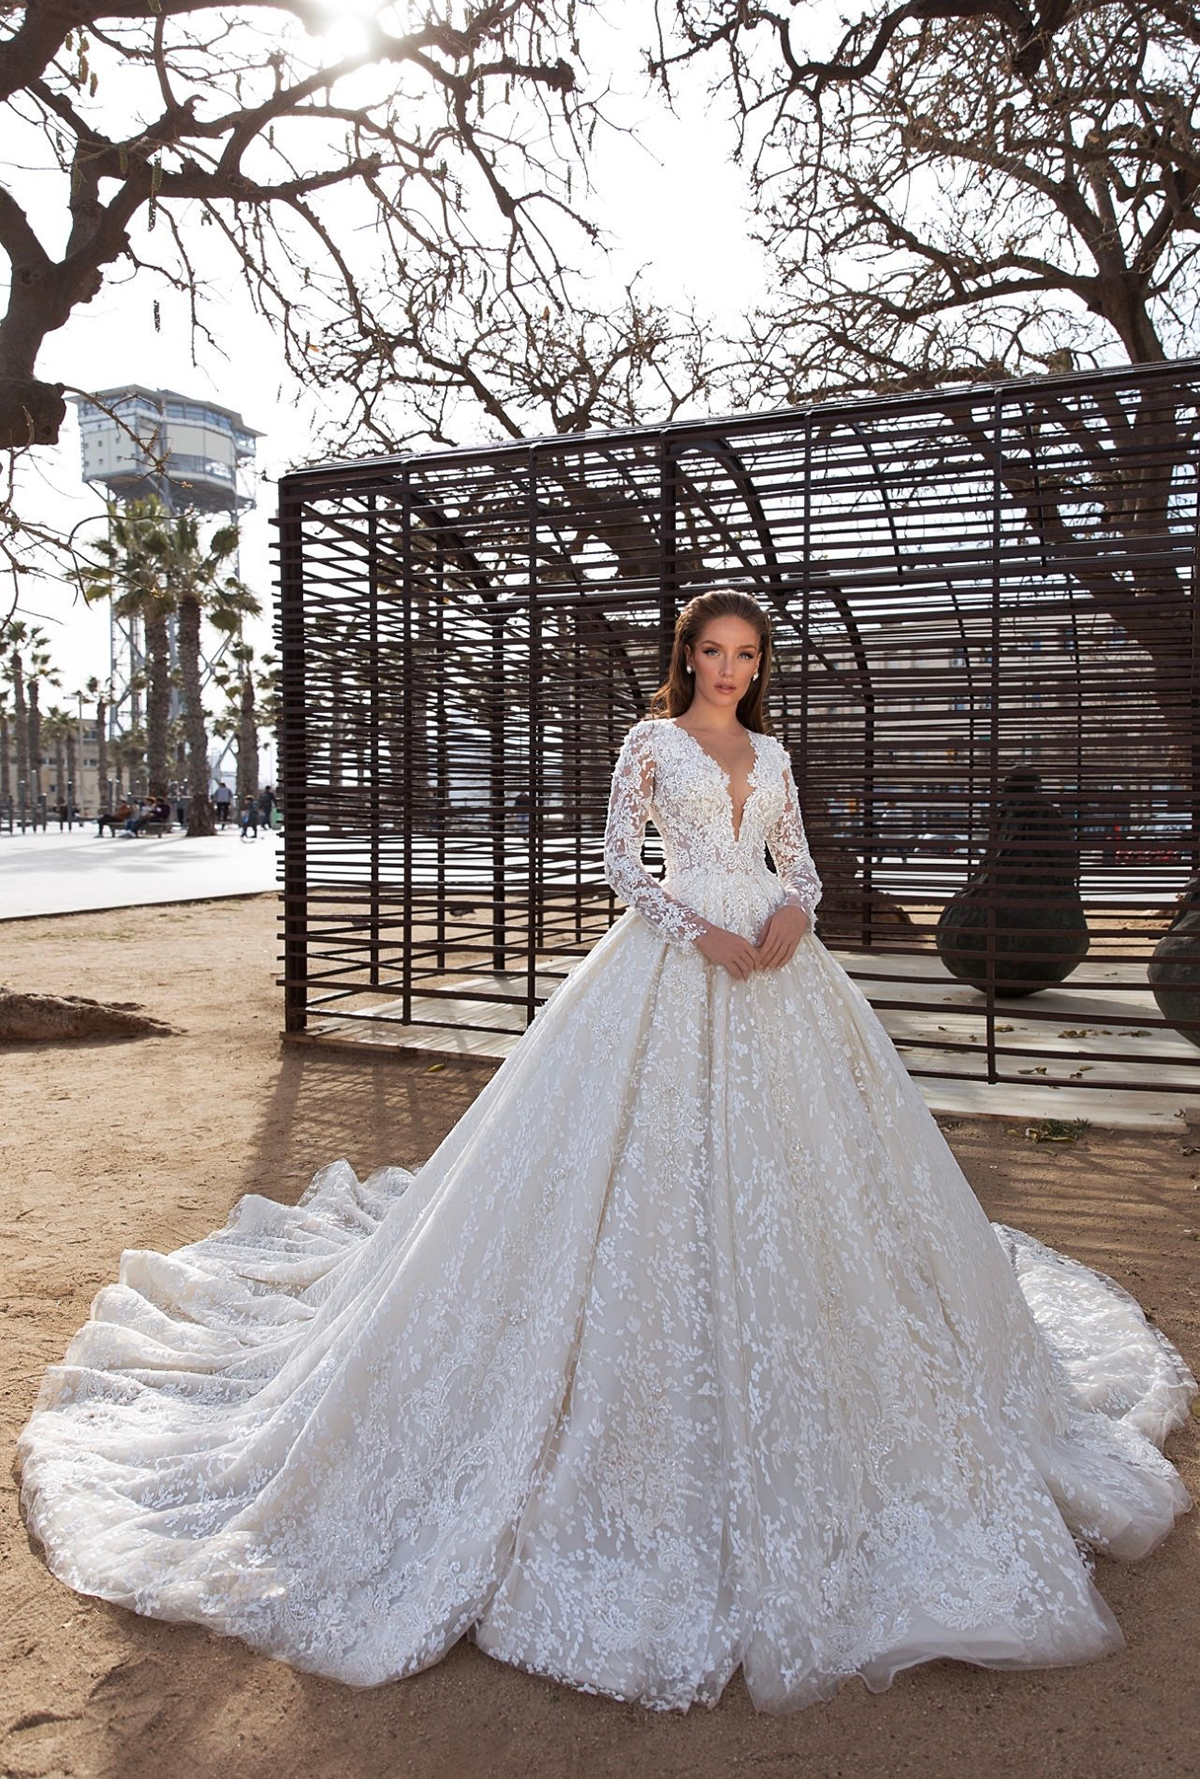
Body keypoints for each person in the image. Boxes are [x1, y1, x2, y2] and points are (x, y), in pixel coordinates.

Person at [15, 589, 1196, 1716]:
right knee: (617, 1181)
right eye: (715, 654)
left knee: (832, 1193)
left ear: (759, 669)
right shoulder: (650, 742)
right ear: (687, 659)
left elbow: (805, 863)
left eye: (748, 657)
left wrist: (792, 914)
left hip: (785, 979)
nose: (731, 671)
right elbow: (623, 864)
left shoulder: (773, 759)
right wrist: (700, 930)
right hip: (671, 971)